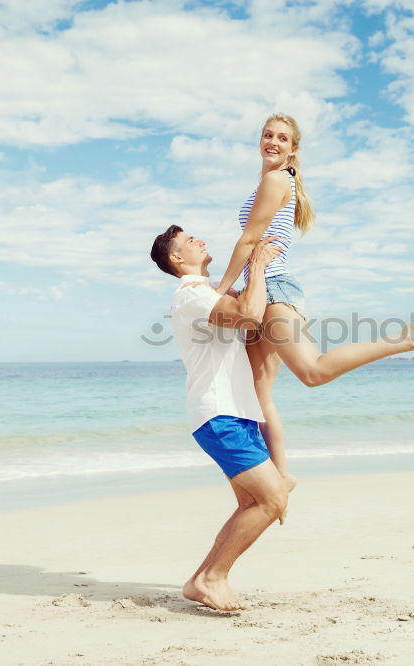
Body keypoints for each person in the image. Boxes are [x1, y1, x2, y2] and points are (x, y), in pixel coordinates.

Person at [213, 112, 414, 488]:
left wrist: (219, 290)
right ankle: (280, 476)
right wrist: (243, 290)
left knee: (313, 372)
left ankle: (405, 338)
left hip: (274, 290)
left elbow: (248, 242)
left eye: (282, 138)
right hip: (260, 291)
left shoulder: (276, 180)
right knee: (257, 393)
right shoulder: (273, 181)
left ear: (294, 149)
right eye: (267, 135)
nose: (273, 142)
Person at [150, 224, 287, 612]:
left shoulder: (207, 294)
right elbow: (247, 316)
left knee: (252, 504)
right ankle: (213, 578)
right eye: (191, 242)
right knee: (272, 500)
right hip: (219, 415)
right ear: (177, 259)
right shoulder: (191, 295)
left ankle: (201, 580)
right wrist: (257, 264)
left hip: (235, 414)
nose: (201, 242)